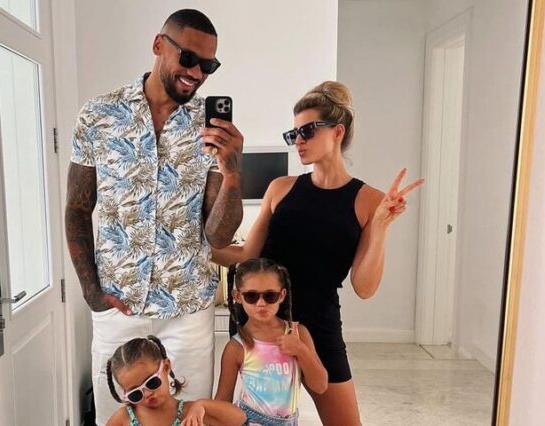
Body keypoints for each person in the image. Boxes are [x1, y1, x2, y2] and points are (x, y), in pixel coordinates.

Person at [64, 9, 244, 425]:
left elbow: (218, 236)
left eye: (209, 66)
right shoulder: (98, 115)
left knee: (190, 418)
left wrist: (233, 173)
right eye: (188, 58)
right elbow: (77, 208)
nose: (196, 73)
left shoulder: (208, 127)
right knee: (115, 418)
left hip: (187, 309)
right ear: (159, 45)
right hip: (118, 305)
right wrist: (91, 291)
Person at [212, 81, 424, 425]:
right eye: (293, 134)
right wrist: (195, 248)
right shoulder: (280, 189)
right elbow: (247, 254)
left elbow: (364, 287)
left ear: (338, 131)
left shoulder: (368, 201)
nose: (299, 141)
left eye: (307, 131)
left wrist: (381, 226)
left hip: (319, 324)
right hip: (264, 320)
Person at [214, 258, 327, 425]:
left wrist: (301, 350)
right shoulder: (236, 347)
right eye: (251, 296)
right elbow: (222, 402)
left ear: (282, 295)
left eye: (270, 296)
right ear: (238, 296)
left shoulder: (298, 334)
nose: (261, 303)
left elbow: (320, 386)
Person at [105, 336, 246, 426]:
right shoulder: (124, 418)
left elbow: (239, 418)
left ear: (166, 367)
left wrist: (202, 405)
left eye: (152, 382)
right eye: (135, 394)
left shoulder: (189, 412)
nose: (147, 394)